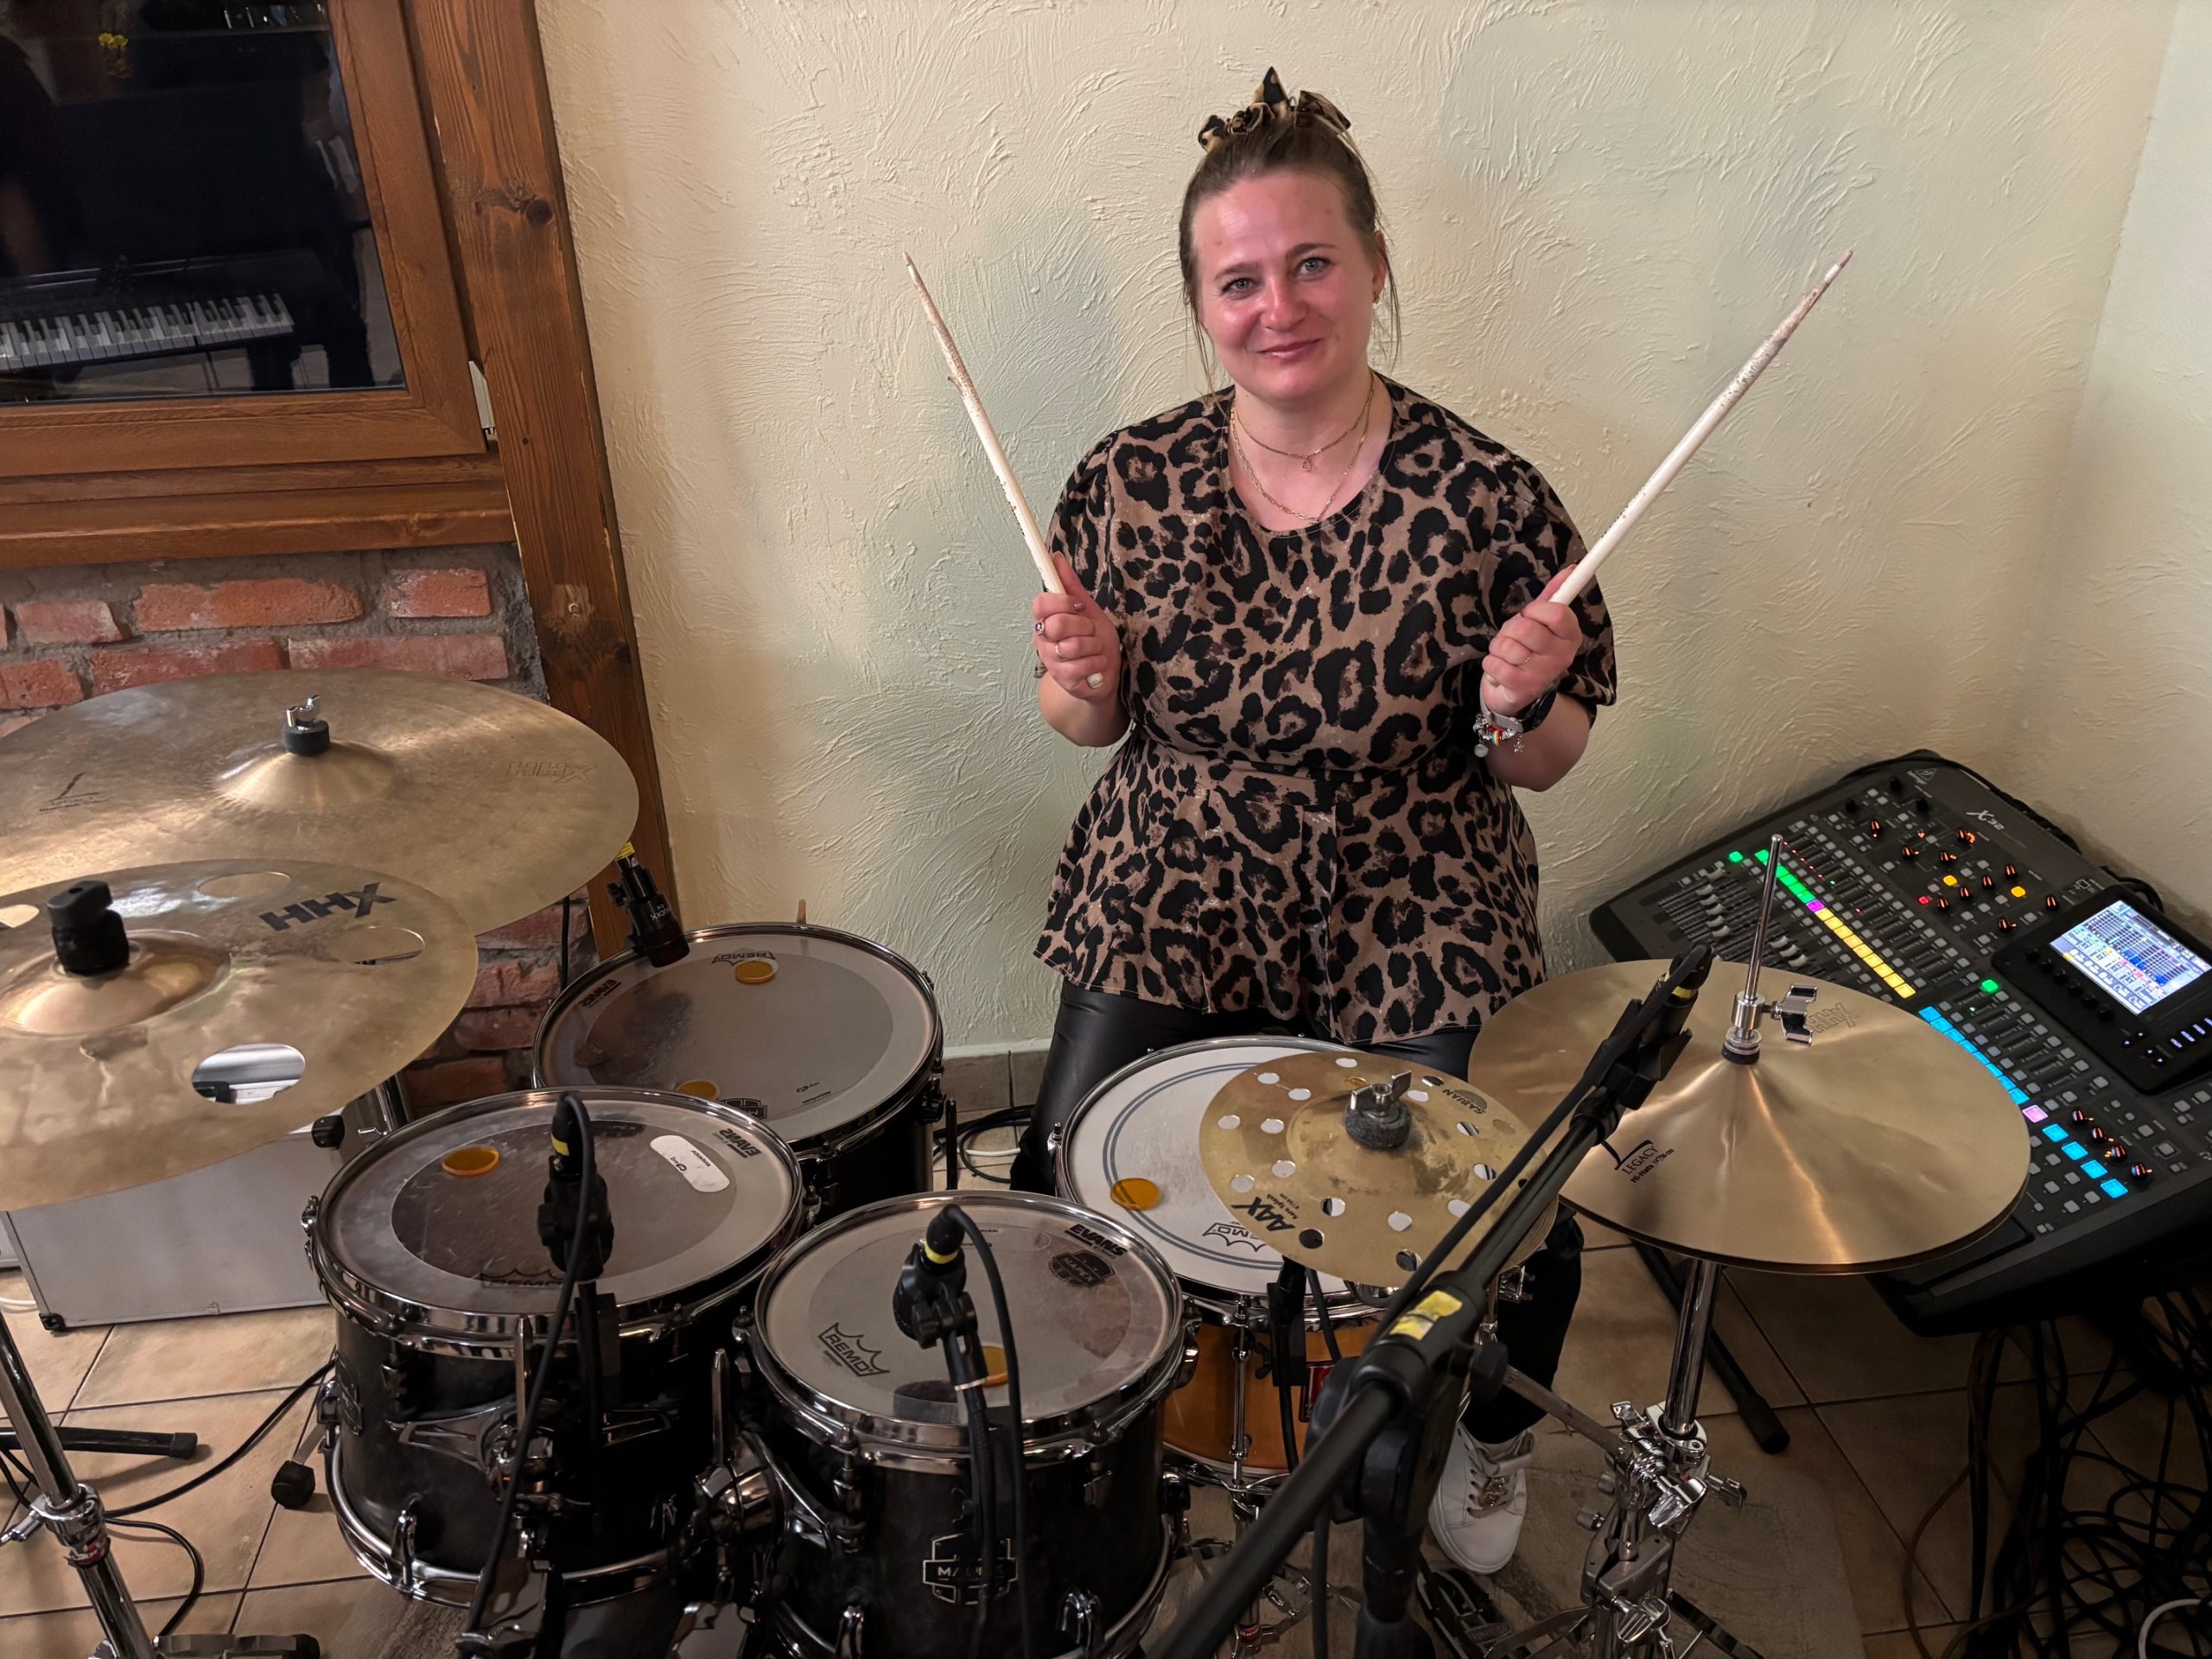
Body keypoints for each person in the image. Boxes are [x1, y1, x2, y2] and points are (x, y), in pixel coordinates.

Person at [1005, 69, 1618, 1578]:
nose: (1277, 307)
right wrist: (1085, 680)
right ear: (1200, 305)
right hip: (1176, 870)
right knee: (1061, 1182)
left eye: (1312, 263)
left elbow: (1545, 763)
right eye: (1239, 281)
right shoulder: (1128, 479)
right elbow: (1087, 727)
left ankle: (1484, 1436)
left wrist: (1516, 699)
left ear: (1375, 266)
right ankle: (1126, 1426)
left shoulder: (1489, 496)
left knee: (1490, 1223)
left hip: (1419, 881)